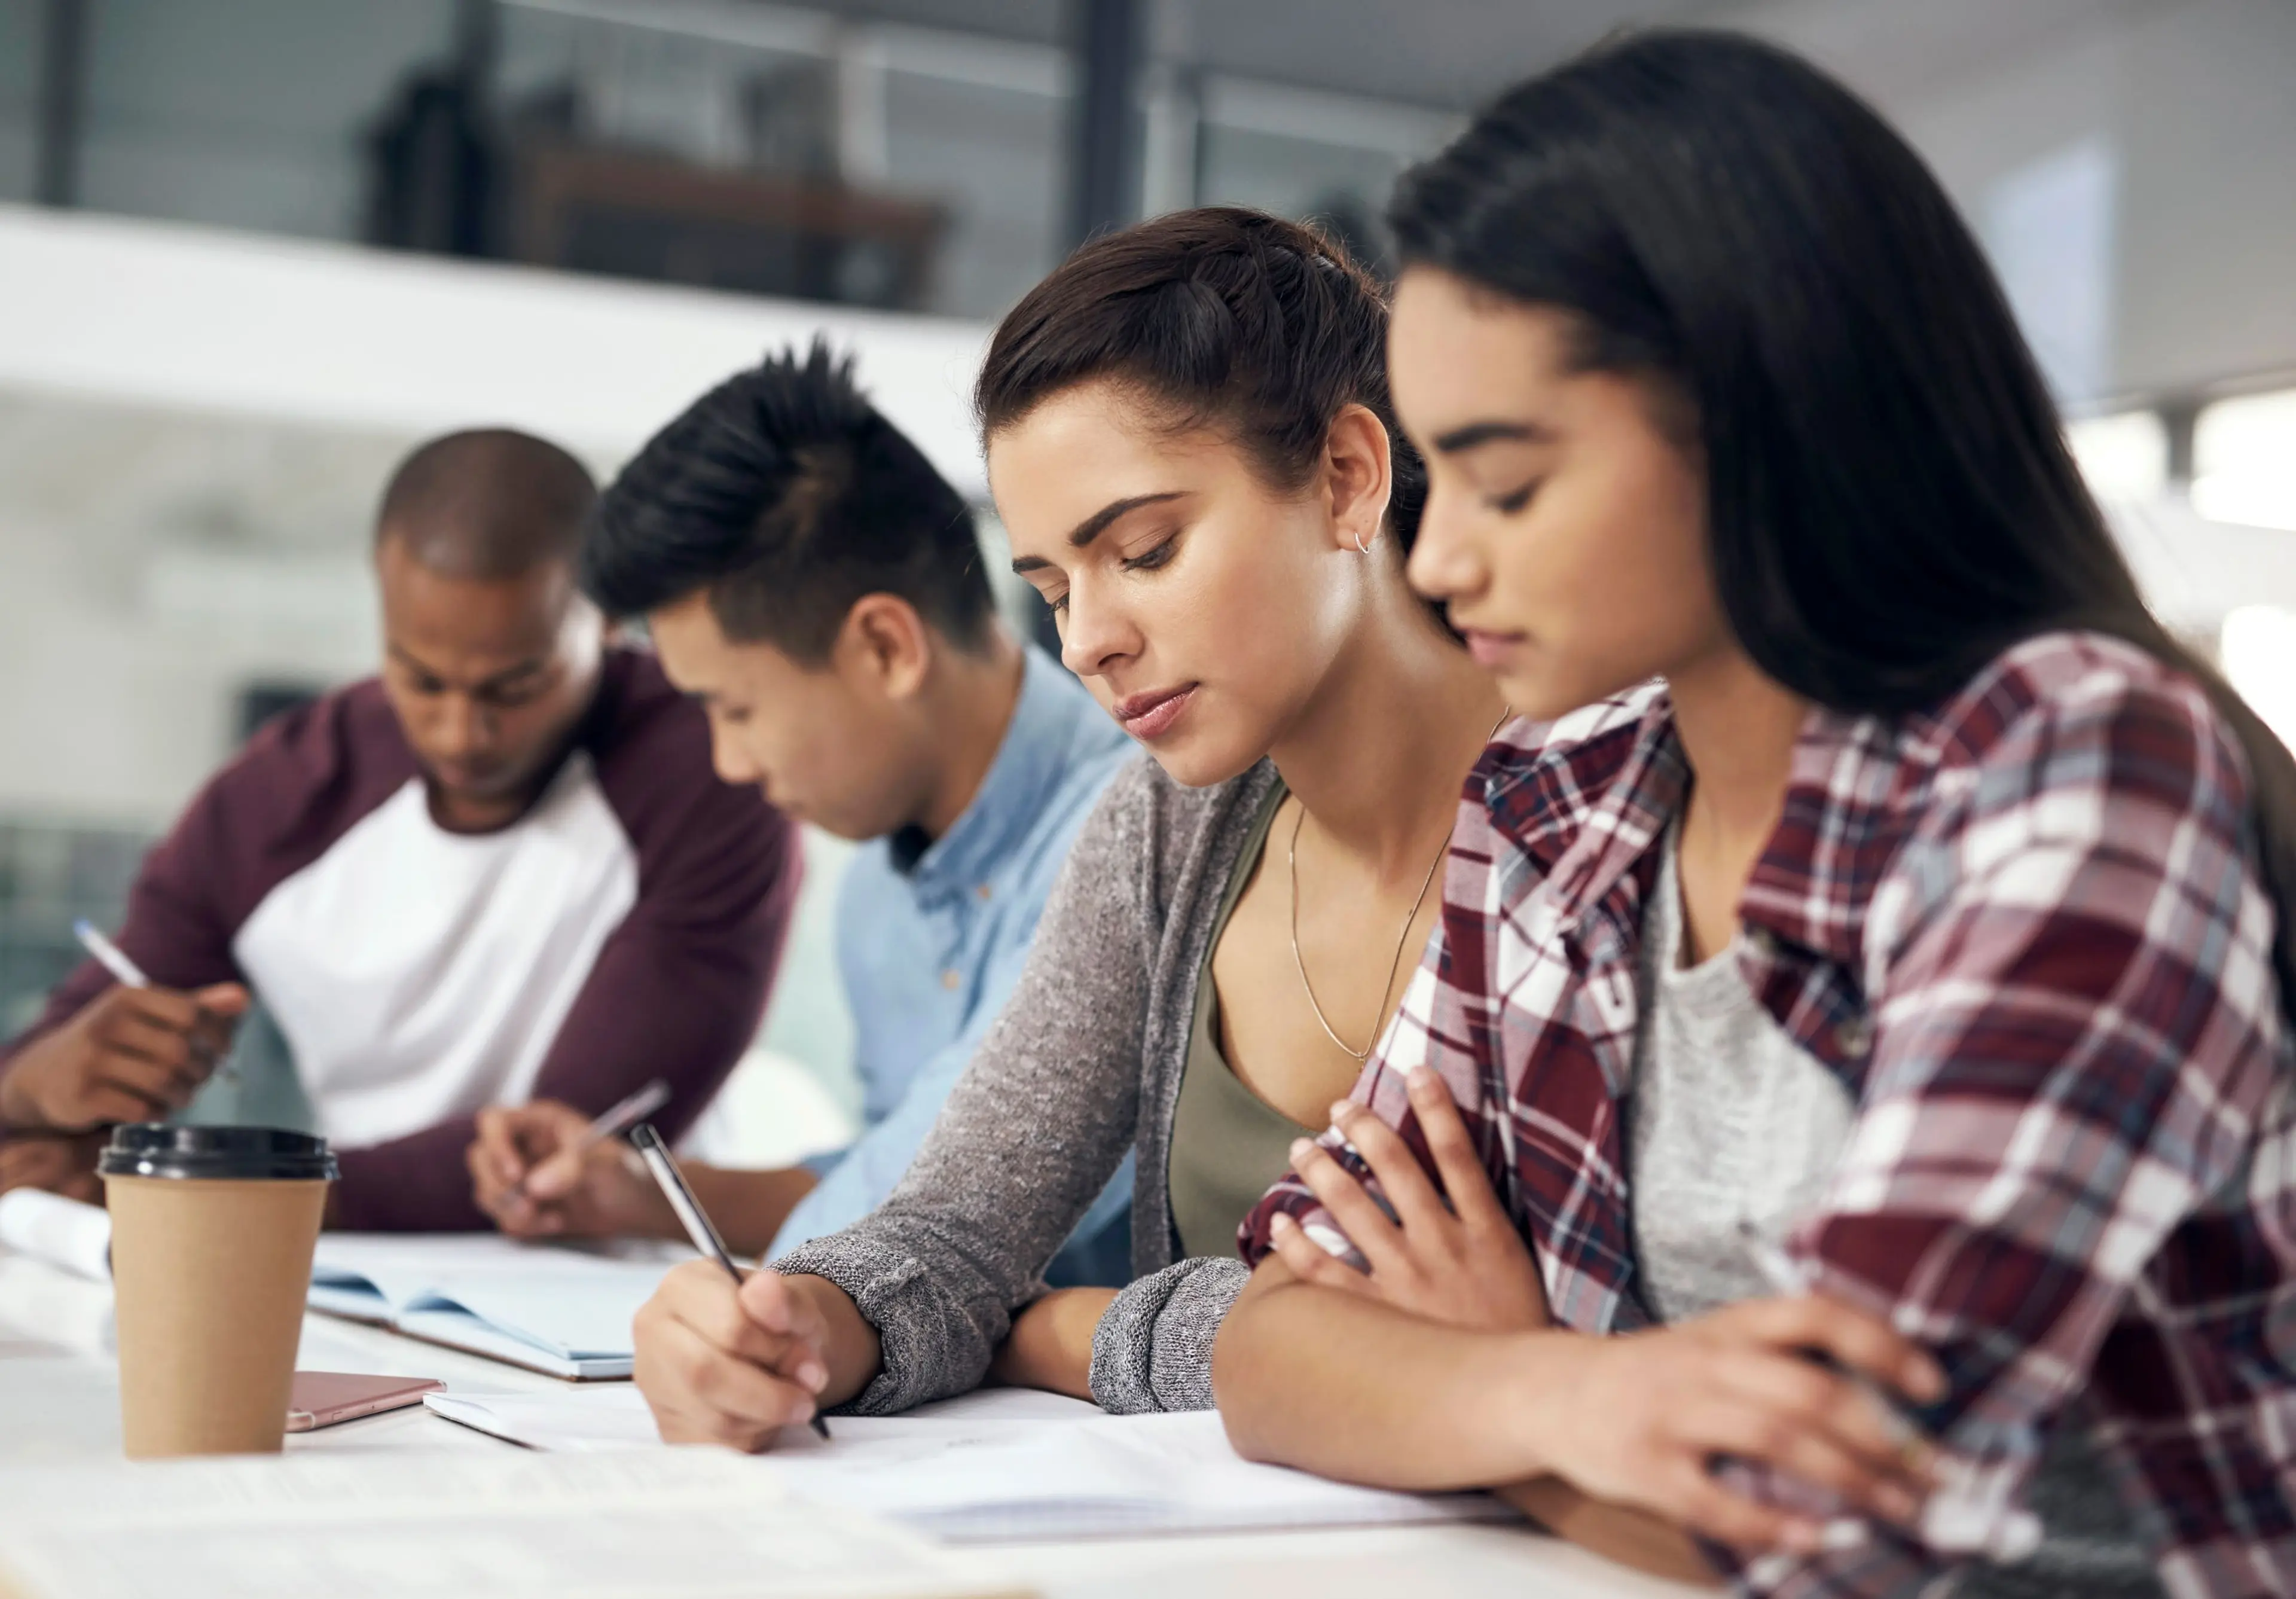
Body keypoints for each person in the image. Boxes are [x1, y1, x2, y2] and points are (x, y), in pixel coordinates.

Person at [1214, 30, 2296, 1599]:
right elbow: (1270, 1342)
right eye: (1440, 482)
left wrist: (1486, 1388)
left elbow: (1843, 1522)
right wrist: (1561, 1395)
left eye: (1509, 485)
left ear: (1768, 418)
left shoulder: (2073, 766)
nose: (1439, 563)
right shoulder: (1552, 802)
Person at [623, 208, 1509, 1442]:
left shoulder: (1583, 815)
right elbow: (951, 1234)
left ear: (1347, 477)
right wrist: (792, 1325)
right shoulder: (1165, 826)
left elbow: (1514, 1329)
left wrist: (1059, 1328)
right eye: (1051, 588)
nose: (1087, 641)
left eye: (1144, 550)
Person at [0, 429, 801, 1231]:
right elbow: (70, 1056)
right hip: (343, 1264)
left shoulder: (714, 769)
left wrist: (210, 1191)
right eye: (420, 679)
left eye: (516, 687)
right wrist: (32, 1093)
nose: (462, 734)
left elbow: (568, 1148)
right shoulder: (271, 803)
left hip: (630, 1272)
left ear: (608, 618)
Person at [463, 343, 1135, 1285]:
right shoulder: (876, 898)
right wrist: (635, 1194)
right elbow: (892, 1169)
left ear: (885, 647)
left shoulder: (1134, 840)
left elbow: (956, 1213)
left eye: (734, 708)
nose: (729, 762)